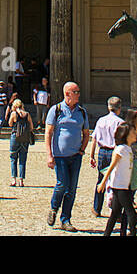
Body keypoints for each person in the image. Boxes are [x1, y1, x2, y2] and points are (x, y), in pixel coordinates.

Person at [44, 82, 90, 232]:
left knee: (71, 189)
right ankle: (53, 208)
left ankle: (65, 219)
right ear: (67, 94)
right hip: (60, 156)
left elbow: (86, 133)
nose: (78, 94)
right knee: (62, 184)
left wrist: (82, 150)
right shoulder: (55, 110)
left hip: (76, 156)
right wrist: (49, 155)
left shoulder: (81, 112)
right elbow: (48, 133)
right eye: (76, 91)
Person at [97, 123, 137, 236]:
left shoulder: (128, 149)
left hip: (124, 185)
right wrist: (103, 182)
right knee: (131, 213)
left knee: (115, 214)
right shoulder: (120, 149)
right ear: (126, 135)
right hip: (119, 186)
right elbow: (112, 166)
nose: (135, 134)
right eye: (132, 133)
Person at [88, 96, 124, 217]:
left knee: (101, 179)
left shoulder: (101, 121)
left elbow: (94, 139)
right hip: (115, 152)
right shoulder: (120, 122)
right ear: (119, 108)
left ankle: (97, 208)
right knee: (116, 181)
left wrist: (92, 155)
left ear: (108, 107)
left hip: (102, 152)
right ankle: (115, 209)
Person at [7, 97, 35, 186]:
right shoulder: (27, 114)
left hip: (15, 136)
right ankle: (21, 180)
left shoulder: (14, 114)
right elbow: (31, 127)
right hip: (25, 138)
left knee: (13, 158)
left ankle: (13, 179)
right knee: (23, 159)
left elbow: (10, 124)